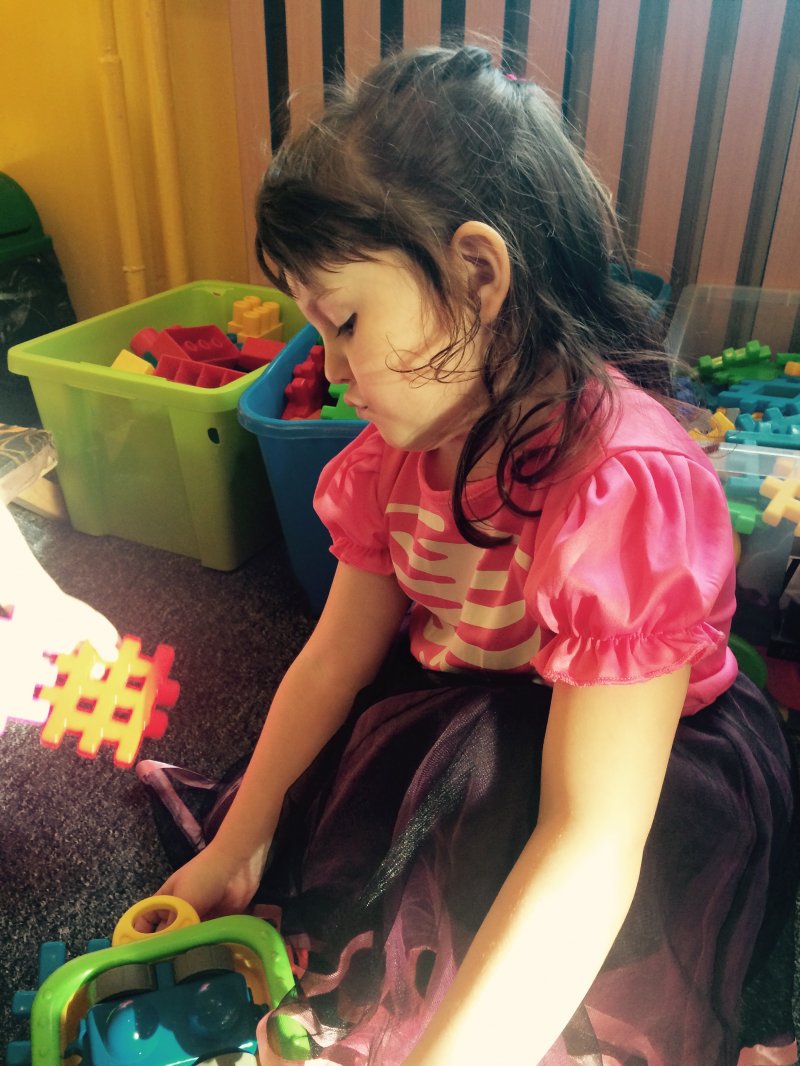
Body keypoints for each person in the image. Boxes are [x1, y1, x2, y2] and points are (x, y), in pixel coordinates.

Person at [152, 45, 796, 1065]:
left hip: (638, 757)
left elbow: (590, 841)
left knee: (546, 874)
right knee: (412, 777)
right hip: (473, 711)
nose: (331, 368)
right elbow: (332, 659)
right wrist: (241, 843)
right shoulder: (390, 458)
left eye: (345, 322)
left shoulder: (624, 487)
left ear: (478, 274)